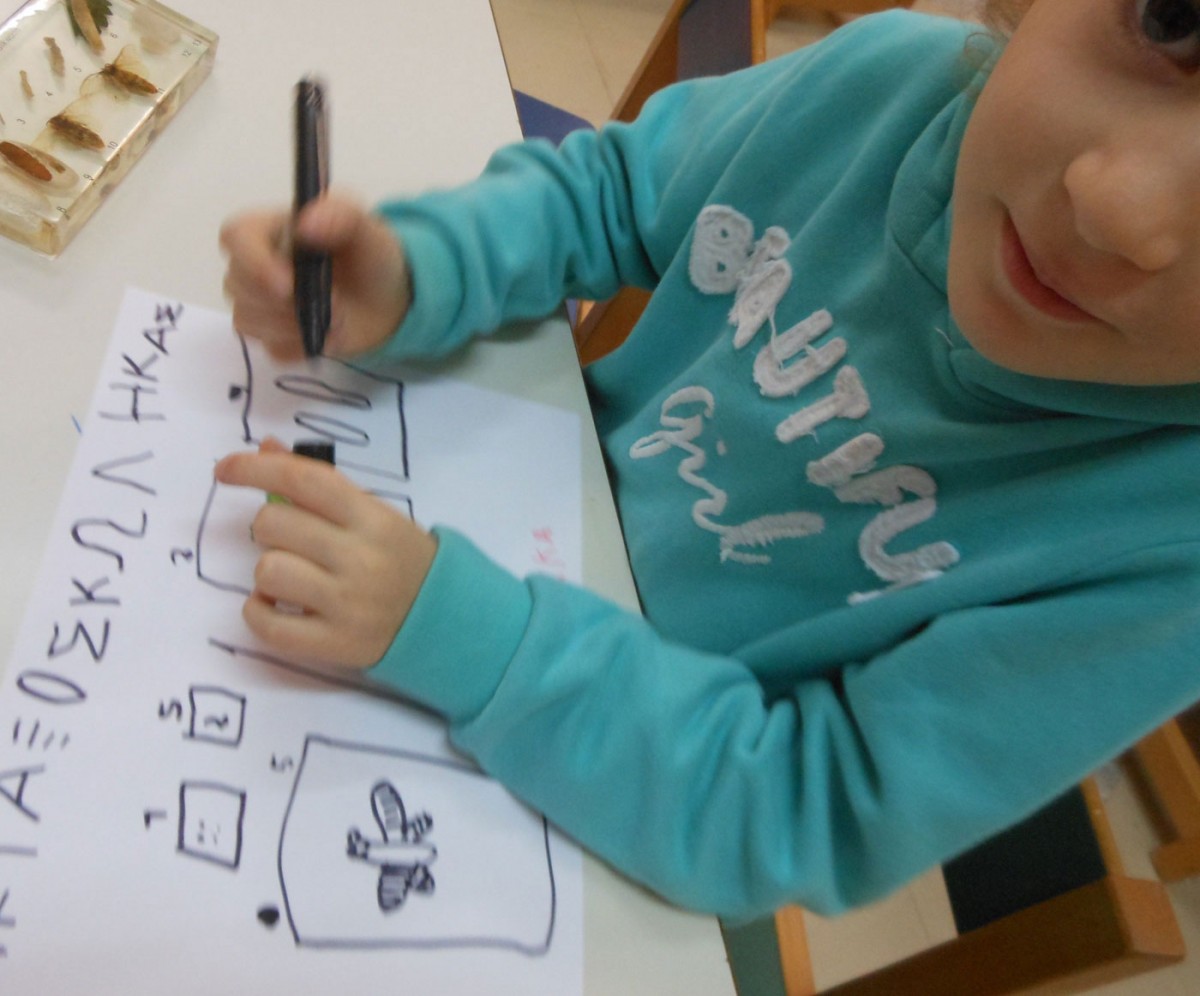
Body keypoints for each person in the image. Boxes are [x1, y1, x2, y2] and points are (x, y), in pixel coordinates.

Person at [215, 0, 1200, 919]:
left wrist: (465, 635)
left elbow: (802, 812)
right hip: (492, 504)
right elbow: (603, 196)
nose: (1118, 208)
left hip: (618, 789)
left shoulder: (1174, 558)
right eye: (1174, 15)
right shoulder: (888, 81)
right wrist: (425, 271)